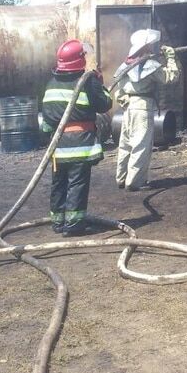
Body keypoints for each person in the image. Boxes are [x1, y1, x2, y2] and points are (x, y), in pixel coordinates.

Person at [40, 39, 113, 235]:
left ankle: (58, 222)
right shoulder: (88, 81)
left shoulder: (50, 84)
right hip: (80, 143)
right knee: (77, 183)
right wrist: (101, 84)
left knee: (59, 183)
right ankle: (73, 225)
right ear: (80, 59)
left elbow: (46, 119)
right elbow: (105, 104)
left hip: (57, 144)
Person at [113, 29, 179, 191]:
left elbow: (118, 91)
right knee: (141, 145)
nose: (151, 48)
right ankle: (135, 182)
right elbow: (170, 77)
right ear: (144, 48)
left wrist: (124, 100)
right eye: (149, 46)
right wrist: (171, 58)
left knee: (126, 144)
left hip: (128, 108)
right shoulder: (150, 65)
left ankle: (121, 178)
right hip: (142, 107)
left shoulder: (125, 65)